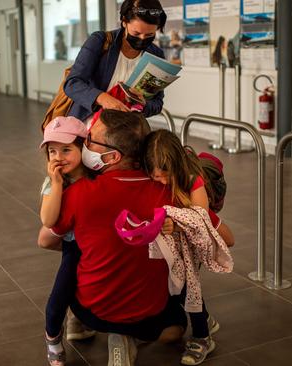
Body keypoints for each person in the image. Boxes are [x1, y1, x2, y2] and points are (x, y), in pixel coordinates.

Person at [38, 110, 187, 366]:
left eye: (91, 140)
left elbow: (45, 239)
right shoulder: (167, 190)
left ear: (112, 156)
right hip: (149, 314)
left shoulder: (81, 192)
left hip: (95, 311)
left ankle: (93, 328)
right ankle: (133, 336)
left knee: (73, 257)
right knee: (177, 328)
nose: (84, 144)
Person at [142, 129, 235, 365]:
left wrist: (177, 224)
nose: (162, 181)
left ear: (178, 165)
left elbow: (200, 216)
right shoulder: (156, 175)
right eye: (156, 178)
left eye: (166, 176)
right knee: (177, 289)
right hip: (170, 245)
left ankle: (203, 337)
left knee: (188, 287)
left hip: (193, 243)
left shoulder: (193, 178)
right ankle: (205, 320)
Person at [39, 116, 95, 366]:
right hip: (74, 246)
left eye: (66, 149)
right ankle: (53, 338)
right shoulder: (54, 183)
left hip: (98, 242)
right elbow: (49, 220)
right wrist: (58, 183)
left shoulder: (96, 176)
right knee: (59, 297)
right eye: (52, 151)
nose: (58, 156)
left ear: (83, 147)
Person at [64, 0, 167, 123]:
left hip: (125, 129)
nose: (142, 39)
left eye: (149, 35)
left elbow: (157, 104)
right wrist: (102, 98)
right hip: (88, 124)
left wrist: (144, 104)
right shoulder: (100, 41)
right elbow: (72, 84)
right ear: (124, 22)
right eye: (136, 33)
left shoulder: (156, 55)